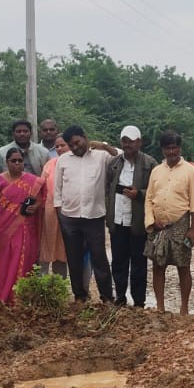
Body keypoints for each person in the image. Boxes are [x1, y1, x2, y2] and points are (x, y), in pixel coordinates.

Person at [53, 126, 115, 303]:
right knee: (74, 258)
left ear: (85, 138)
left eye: (77, 142)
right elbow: (57, 190)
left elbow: (119, 156)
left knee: (99, 257)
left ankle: (107, 296)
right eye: (70, 145)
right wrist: (60, 214)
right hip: (69, 218)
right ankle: (79, 295)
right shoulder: (63, 160)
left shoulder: (101, 157)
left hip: (94, 216)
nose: (74, 147)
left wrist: (103, 145)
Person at [145, 132, 194, 314]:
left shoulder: (190, 171)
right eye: (167, 148)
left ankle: (184, 307)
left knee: (183, 266)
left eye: (174, 147)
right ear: (162, 150)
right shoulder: (156, 171)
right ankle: (160, 306)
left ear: (180, 148)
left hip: (181, 224)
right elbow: (148, 198)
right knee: (157, 265)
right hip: (158, 226)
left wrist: (193, 229)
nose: (171, 151)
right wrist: (151, 222)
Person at [103, 125, 156, 308]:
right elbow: (107, 190)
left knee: (139, 262)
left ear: (139, 142)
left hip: (138, 221)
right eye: (124, 140)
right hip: (118, 220)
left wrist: (139, 194)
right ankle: (120, 296)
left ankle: (139, 300)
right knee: (118, 260)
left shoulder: (150, 164)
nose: (127, 144)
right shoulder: (114, 163)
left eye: (131, 140)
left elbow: (156, 191)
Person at [0, 147, 44, 304]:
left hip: (25, 228)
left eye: (20, 161)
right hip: (3, 228)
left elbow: (40, 200)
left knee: (24, 260)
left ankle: (20, 297)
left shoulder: (33, 181)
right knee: (4, 261)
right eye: (13, 161)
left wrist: (35, 207)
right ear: (7, 162)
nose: (17, 164)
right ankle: (2, 295)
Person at [36, 135, 70, 279]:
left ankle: (59, 287)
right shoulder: (50, 164)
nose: (60, 149)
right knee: (45, 248)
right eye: (57, 146)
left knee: (62, 252)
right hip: (48, 215)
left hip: (68, 215)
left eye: (63, 145)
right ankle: (41, 288)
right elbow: (40, 187)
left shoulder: (78, 164)